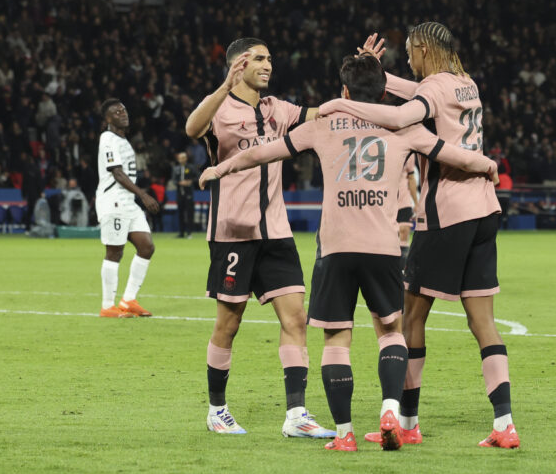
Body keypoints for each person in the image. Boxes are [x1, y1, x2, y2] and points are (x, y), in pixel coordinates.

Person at [199, 55, 499, 452]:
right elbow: (451, 153)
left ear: (344, 92)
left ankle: (344, 434)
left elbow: (265, 153)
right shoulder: (404, 127)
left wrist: (221, 169)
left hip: (336, 249)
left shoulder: (323, 126)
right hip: (384, 249)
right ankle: (390, 409)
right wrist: (488, 164)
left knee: (336, 338)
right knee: (392, 332)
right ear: (384, 91)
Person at [318, 27, 519, 449]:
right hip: (485, 209)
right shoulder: (466, 84)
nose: (408, 60)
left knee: (411, 319)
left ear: (424, 49)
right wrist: (374, 76)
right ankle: (505, 424)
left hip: (446, 213)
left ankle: (407, 422)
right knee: (483, 322)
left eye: (409, 53)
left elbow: (398, 116)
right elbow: (421, 95)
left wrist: (340, 101)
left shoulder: (432, 88)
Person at [185, 37, 332, 438]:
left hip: (276, 231)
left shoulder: (277, 108)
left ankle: (297, 415)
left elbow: (319, 113)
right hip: (232, 231)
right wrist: (223, 86)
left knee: (295, 317)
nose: (269, 65)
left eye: (270, 59)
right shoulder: (219, 108)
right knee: (229, 324)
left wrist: (360, 89)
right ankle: (217, 410)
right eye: (261, 59)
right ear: (240, 63)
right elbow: (192, 128)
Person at [96, 99, 160, 318]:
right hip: (113, 200)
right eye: (116, 112)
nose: (123, 113)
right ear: (107, 119)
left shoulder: (123, 141)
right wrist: (143, 194)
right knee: (115, 251)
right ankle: (107, 306)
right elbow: (117, 173)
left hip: (128, 202)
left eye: (124, 110)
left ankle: (128, 299)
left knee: (146, 246)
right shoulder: (108, 139)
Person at [397, 154, 418, 269]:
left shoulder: (409, 154)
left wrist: (416, 202)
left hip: (403, 201)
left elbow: (411, 178)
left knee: (404, 233)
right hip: (386, 201)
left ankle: (401, 274)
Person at [172, 151, 198, 238]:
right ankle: (181, 232)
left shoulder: (191, 167)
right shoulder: (176, 169)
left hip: (189, 193)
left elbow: (197, 177)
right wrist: (180, 183)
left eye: (183, 158)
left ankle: (189, 232)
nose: (181, 159)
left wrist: (190, 181)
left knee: (189, 213)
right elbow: (174, 180)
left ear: (186, 158)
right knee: (180, 213)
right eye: (180, 158)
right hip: (180, 193)